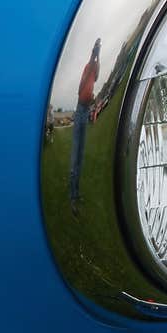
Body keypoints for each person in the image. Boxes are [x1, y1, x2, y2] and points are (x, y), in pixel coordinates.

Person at [69, 38, 100, 214]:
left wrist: (99, 54)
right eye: (94, 51)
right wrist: (91, 55)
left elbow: (98, 73)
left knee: (80, 157)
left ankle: (76, 193)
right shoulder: (87, 68)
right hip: (80, 111)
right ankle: (72, 198)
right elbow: (80, 89)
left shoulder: (94, 68)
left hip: (87, 110)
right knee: (74, 159)